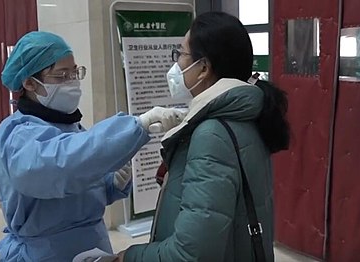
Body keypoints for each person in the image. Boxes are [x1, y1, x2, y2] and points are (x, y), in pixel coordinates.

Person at [0, 31, 186, 261]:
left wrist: (111, 183)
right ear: (29, 82)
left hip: (92, 246)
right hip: (46, 253)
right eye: (61, 75)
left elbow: (79, 184)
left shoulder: (68, 124)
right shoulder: (18, 134)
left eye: (75, 72)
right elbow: (60, 167)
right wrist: (137, 126)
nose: (72, 81)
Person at [119, 11, 290, 262]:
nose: (176, 64)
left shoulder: (211, 134)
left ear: (203, 68)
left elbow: (192, 253)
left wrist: (128, 257)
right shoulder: (246, 114)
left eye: (181, 54)